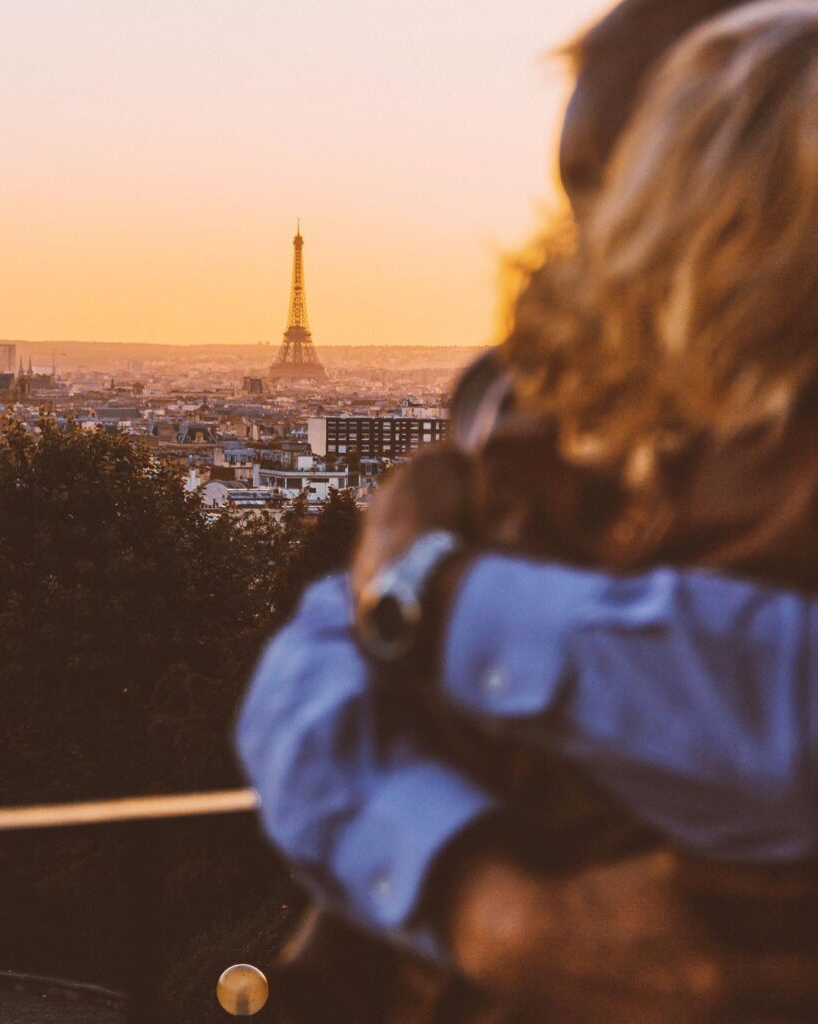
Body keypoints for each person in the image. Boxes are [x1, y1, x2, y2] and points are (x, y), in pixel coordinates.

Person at [239, 1, 818, 1021]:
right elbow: (308, 666)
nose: (584, 242)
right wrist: (485, 903)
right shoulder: (554, 423)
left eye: (618, 188)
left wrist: (431, 590)